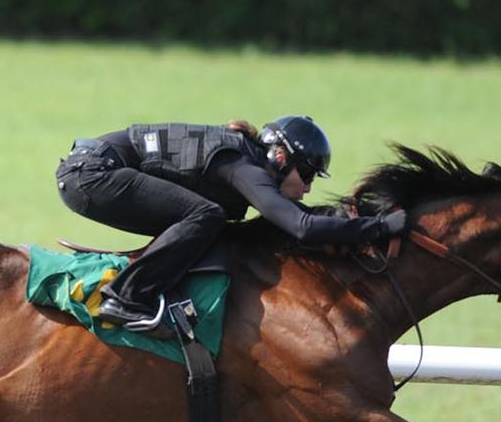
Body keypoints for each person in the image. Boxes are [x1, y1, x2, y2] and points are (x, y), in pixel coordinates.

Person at [55, 116, 407, 332]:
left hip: (91, 172)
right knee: (205, 215)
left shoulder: (246, 161)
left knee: (208, 220)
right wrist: (379, 228)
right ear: (281, 158)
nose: (308, 187)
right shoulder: (245, 168)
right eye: (308, 174)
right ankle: (126, 299)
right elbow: (302, 227)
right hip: (91, 174)